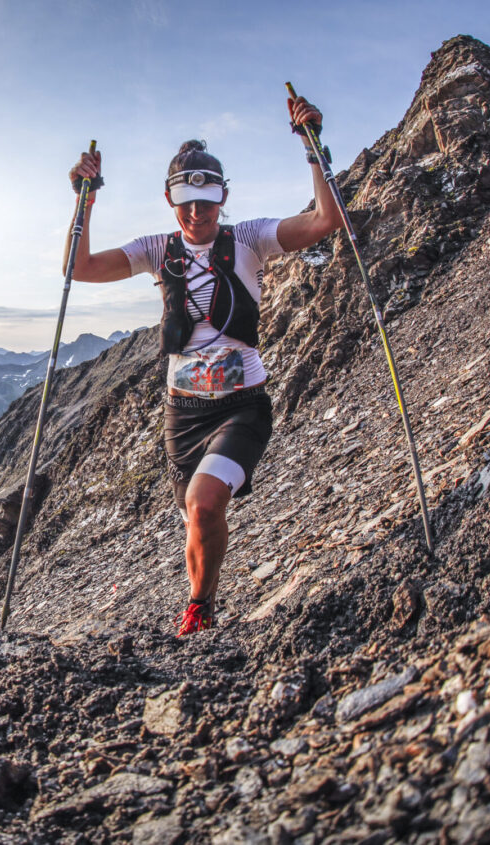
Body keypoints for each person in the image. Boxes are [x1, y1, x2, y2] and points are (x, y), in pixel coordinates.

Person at [66, 94, 343, 636]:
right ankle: (204, 603)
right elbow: (80, 268)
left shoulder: (251, 239)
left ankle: (197, 611)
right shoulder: (156, 249)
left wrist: (312, 146)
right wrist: (85, 201)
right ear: (171, 200)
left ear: (223, 197)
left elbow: (326, 219)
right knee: (196, 515)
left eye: (208, 200)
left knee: (204, 500)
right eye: (185, 200)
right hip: (183, 414)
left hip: (243, 406)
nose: (196, 213)